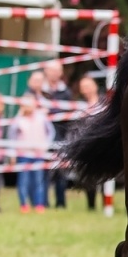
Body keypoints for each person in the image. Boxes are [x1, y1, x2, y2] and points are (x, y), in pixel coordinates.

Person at [8, 94, 54, 213]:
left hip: (38, 154)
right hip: (23, 154)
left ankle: (39, 204)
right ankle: (24, 205)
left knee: (39, 181)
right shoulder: (18, 120)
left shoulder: (41, 117)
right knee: (23, 181)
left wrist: (45, 146)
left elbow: (50, 132)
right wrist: (12, 154)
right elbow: (11, 136)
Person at [42, 60, 75, 208]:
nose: (54, 73)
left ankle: (60, 202)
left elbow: (66, 114)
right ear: (46, 72)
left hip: (60, 136)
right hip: (42, 137)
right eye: (51, 70)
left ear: (61, 73)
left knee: (60, 172)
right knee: (43, 172)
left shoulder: (65, 92)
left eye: (57, 71)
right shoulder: (39, 90)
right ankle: (43, 201)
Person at [75, 74, 105, 210]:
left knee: (106, 176)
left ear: (94, 86)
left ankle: (106, 205)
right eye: (83, 87)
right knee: (89, 177)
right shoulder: (79, 105)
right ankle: (91, 206)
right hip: (88, 144)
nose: (85, 89)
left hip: (103, 144)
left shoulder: (105, 102)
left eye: (87, 86)